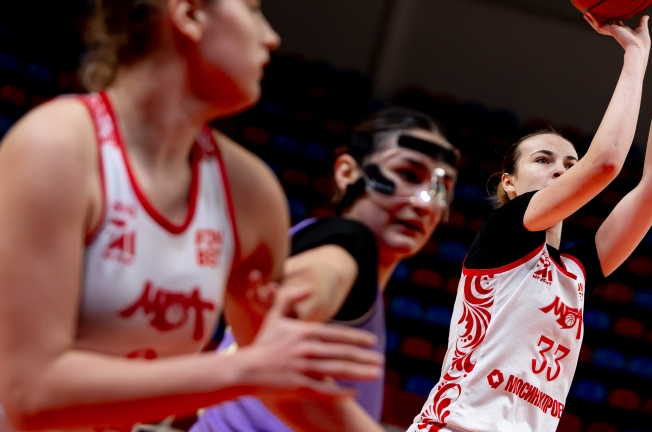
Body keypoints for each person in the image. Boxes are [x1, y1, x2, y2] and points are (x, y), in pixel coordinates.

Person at [0, 0, 383, 432]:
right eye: (252, 6)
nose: (271, 36)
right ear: (189, 14)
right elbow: (34, 394)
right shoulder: (55, 148)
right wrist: (243, 370)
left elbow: (284, 381)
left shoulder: (247, 191)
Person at [408, 2, 652, 432]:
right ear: (509, 183)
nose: (561, 170)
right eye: (543, 160)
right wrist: (636, 55)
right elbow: (605, 164)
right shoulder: (504, 231)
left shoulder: (576, 274)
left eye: (569, 162)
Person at [192, 107, 460, 432]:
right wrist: (294, 308)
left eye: (441, 187)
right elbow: (311, 289)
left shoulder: (310, 235)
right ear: (347, 172)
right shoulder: (348, 245)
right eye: (407, 174)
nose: (425, 203)